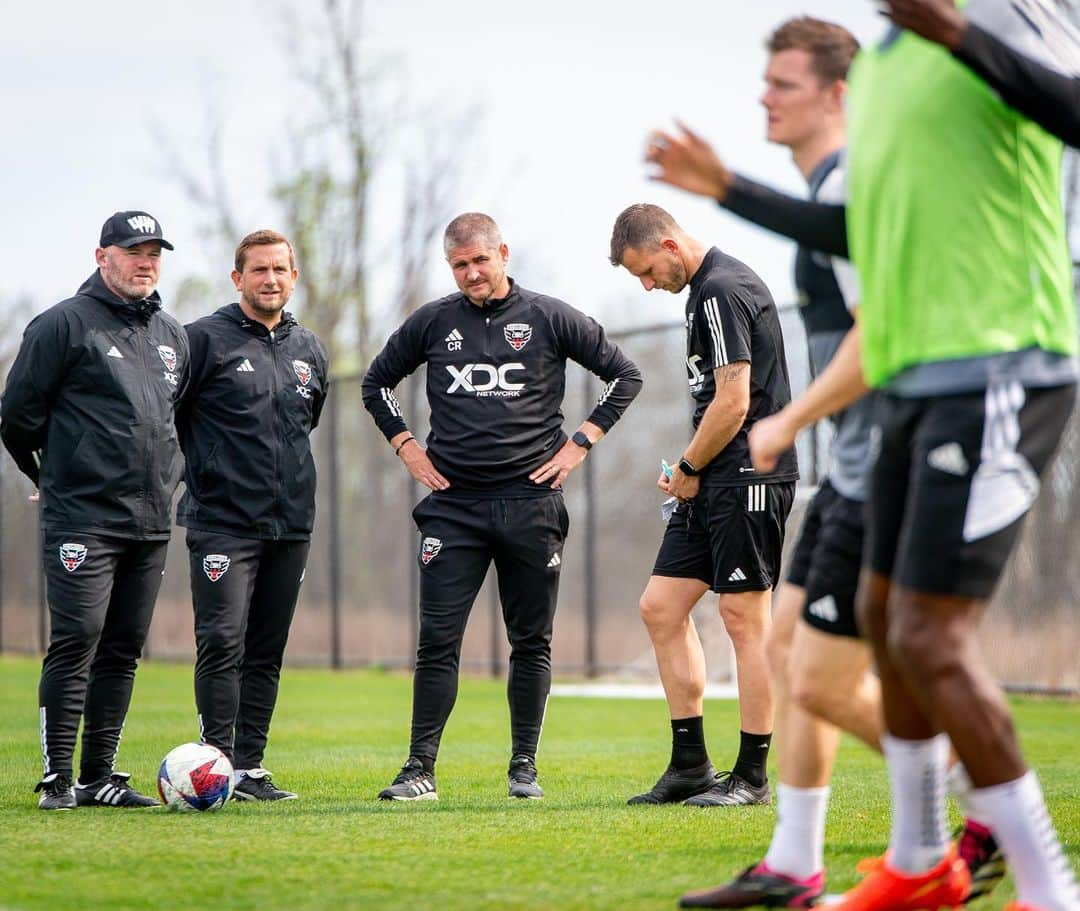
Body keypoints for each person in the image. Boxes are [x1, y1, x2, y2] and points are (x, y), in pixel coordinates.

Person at [649, 1, 1080, 908]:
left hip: (990, 368)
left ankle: (1026, 865)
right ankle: (858, 859)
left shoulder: (999, 26)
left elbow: (874, 307)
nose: (764, 97)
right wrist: (725, 184)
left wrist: (787, 418)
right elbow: (869, 241)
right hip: (905, 405)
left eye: (782, 84)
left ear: (828, 93)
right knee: (844, 653)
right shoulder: (890, 72)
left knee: (897, 644)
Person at [362, 212, 642, 801]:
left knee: (531, 642)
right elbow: (375, 384)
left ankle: (523, 769)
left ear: (503, 254)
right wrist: (407, 446)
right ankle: (419, 771)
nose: (471, 274)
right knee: (437, 641)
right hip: (453, 507)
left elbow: (625, 375)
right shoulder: (434, 322)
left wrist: (580, 444)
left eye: (479, 261)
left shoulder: (548, 316)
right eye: (459, 265)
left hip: (531, 506)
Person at [609, 203, 797, 809]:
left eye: (646, 271)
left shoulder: (720, 289)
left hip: (749, 476)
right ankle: (690, 766)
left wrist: (689, 466)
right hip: (712, 479)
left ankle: (752, 776)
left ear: (668, 243)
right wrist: (692, 469)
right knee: (661, 607)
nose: (646, 285)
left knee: (745, 621)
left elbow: (734, 401)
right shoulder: (701, 295)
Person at [1, 211, 187, 810]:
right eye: (133, 250)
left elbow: (171, 420)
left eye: (155, 251)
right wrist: (48, 476)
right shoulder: (63, 324)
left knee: (124, 645)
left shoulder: (171, 335)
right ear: (102, 255)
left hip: (151, 517)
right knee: (77, 635)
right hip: (82, 515)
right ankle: (57, 778)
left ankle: (99, 775)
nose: (146, 261)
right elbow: (17, 417)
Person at [176, 229, 329, 801]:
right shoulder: (201, 341)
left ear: (294, 278)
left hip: (290, 524)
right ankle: (213, 765)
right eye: (258, 270)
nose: (270, 280)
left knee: (267, 648)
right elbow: (170, 421)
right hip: (221, 522)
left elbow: (304, 423)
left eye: (280, 270)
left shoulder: (309, 348)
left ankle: (249, 768)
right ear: (237, 277)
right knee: (222, 641)